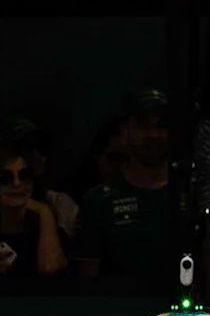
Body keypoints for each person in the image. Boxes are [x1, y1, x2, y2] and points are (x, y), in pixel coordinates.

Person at [71, 92, 177, 281]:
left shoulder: (191, 194)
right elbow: (87, 284)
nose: (153, 135)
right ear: (125, 130)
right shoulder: (97, 202)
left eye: (161, 126)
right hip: (118, 308)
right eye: (143, 126)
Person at [0, 139, 69, 277]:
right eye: (5, 178)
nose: (17, 183)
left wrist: (45, 213)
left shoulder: (51, 235)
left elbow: (50, 269)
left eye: (24, 175)